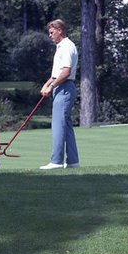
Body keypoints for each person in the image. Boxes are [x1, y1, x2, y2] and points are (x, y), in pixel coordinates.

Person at [40, 19, 80, 169]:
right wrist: (47, 84)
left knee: (58, 125)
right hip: (61, 86)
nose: (50, 35)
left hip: (64, 87)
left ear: (60, 31)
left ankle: (56, 161)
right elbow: (57, 73)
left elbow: (66, 72)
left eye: (52, 32)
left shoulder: (67, 46)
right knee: (66, 125)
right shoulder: (60, 47)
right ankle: (73, 161)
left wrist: (52, 87)